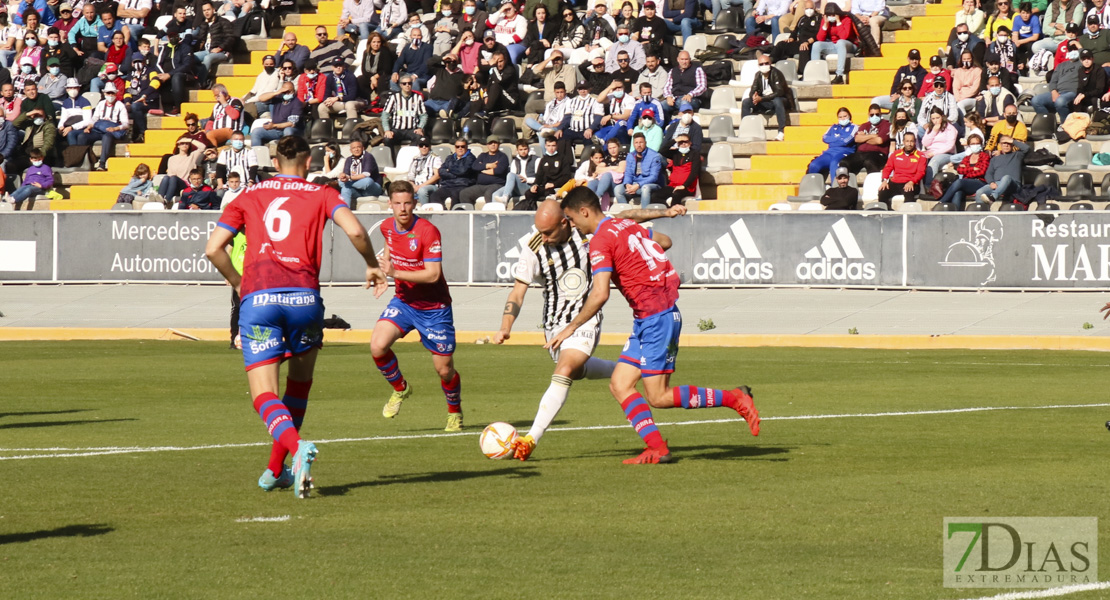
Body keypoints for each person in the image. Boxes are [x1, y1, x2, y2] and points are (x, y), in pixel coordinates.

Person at [205, 134, 387, 499]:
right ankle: (276, 470)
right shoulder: (321, 193)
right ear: (308, 164)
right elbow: (354, 229)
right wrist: (371, 265)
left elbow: (213, 249)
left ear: (275, 163)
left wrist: (240, 284)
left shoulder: (249, 196)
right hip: (304, 299)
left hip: (260, 299)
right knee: (298, 386)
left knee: (264, 394)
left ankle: (297, 447)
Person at [550, 187, 759, 464]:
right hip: (648, 318)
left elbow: (600, 293)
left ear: (584, 211)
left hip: (657, 317)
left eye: (572, 218)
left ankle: (734, 398)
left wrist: (570, 328)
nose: (572, 225)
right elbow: (665, 241)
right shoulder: (623, 225)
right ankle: (658, 448)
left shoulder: (601, 240)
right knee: (620, 384)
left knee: (658, 396)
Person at [496, 200, 687, 460]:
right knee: (576, 371)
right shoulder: (535, 246)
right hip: (555, 324)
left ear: (565, 222)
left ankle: (531, 438)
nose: (543, 238)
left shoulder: (588, 231)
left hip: (585, 319)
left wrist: (665, 213)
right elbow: (518, 291)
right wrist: (505, 327)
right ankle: (631, 368)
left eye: (549, 232)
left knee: (564, 369)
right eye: (539, 231)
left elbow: (625, 217)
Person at [371, 180, 463, 432]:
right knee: (378, 346)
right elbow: (390, 248)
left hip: (434, 308)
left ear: (415, 203)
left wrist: (395, 272)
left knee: (444, 370)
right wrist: (382, 275)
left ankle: (454, 412)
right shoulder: (387, 227)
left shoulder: (427, 231)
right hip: (404, 301)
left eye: (408, 203)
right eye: (397, 203)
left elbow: (433, 275)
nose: (403, 208)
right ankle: (401, 388)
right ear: (389, 204)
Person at [742, 54, 791, 142]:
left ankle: (781, 131)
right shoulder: (758, 75)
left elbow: (779, 92)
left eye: (766, 63)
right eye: (761, 64)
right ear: (758, 65)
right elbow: (753, 89)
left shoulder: (776, 73)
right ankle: (745, 129)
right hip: (765, 100)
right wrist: (753, 96)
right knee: (746, 102)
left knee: (777, 100)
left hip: (780, 100)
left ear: (770, 63)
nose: (764, 66)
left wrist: (762, 99)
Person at [80, 82, 128, 171]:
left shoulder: (120, 105)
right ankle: (85, 162)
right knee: (82, 136)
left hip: (112, 130)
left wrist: (115, 128)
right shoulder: (101, 104)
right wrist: (89, 126)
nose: (110, 95)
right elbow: (95, 118)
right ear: (104, 94)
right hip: (99, 129)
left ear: (116, 93)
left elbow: (125, 124)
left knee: (107, 137)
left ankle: (102, 163)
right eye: (108, 93)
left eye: (112, 93)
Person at [938, 132, 991, 209]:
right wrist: (972, 169)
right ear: (969, 145)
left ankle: (942, 202)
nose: (975, 145)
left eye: (977, 143)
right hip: (966, 183)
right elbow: (959, 169)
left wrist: (966, 170)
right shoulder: (967, 158)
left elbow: (981, 171)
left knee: (960, 181)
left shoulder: (985, 156)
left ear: (981, 144)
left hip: (980, 182)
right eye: (973, 144)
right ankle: (955, 215)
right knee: (957, 192)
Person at [767, 0, 819, 76]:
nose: (809, 10)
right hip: (800, 42)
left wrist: (808, 42)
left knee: (803, 48)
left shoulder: (819, 18)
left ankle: (803, 73)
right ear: (804, 9)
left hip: (811, 43)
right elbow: (795, 31)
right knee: (782, 44)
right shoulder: (802, 18)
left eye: (811, 8)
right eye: (807, 8)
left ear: (814, 8)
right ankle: (770, 60)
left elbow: (819, 34)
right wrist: (791, 38)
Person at [811, 3, 858, 84]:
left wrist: (838, 22)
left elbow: (844, 36)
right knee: (816, 45)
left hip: (849, 45)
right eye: (829, 15)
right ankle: (816, 74)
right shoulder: (825, 20)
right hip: (834, 45)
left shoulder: (846, 19)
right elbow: (820, 38)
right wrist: (825, 25)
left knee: (840, 42)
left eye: (833, 15)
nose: (831, 17)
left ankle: (839, 75)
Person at [523, 136, 574, 209]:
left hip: (556, 187)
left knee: (549, 193)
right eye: (549, 146)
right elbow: (539, 176)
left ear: (557, 146)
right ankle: (533, 212)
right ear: (545, 146)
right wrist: (535, 185)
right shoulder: (543, 159)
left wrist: (554, 184)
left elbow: (566, 176)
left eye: (553, 145)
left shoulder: (563, 159)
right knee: (529, 193)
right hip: (544, 187)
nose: (551, 148)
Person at [877, 131, 926, 208]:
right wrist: (884, 180)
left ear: (915, 142)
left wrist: (912, 182)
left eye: (911, 141)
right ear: (903, 142)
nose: (909, 144)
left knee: (909, 192)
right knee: (882, 191)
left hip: (911, 182)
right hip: (895, 182)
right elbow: (887, 168)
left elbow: (921, 172)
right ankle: (883, 215)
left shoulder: (920, 156)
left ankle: (908, 217)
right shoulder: (896, 154)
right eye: (907, 141)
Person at [649, 132, 699, 205]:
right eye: (681, 142)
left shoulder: (695, 154)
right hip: (673, 186)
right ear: (678, 144)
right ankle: (668, 209)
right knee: (654, 196)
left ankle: (674, 212)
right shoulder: (675, 153)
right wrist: (675, 140)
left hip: (687, 187)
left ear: (690, 143)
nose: (683, 144)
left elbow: (694, 173)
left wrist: (684, 185)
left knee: (676, 195)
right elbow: (662, 151)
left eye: (686, 142)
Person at [1032, 46, 1081, 120]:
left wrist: (1080, 47)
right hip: (1059, 92)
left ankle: (1064, 125)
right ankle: (1048, 123)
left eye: (1075, 50)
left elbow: (1086, 55)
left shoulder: (1082, 64)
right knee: (1036, 100)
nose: (1073, 51)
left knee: (1060, 101)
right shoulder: (1061, 65)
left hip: (1072, 92)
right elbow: (1053, 81)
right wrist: (1054, 91)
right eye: (1071, 50)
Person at [839, 103, 890, 175]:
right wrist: (873, 136)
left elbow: (879, 140)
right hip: (861, 153)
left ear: (880, 114)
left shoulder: (886, 125)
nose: (874, 116)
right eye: (872, 115)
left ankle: (874, 185)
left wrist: (864, 138)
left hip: (877, 154)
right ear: (869, 114)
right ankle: (847, 184)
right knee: (844, 162)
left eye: (877, 114)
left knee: (869, 161)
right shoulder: (864, 125)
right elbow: (857, 139)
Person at [976, 135, 1028, 203]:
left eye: (1008, 143)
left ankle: (993, 197)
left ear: (1012, 145)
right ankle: (982, 213)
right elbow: (989, 173)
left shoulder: (1017, 155)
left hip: (1013, 184)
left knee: (1006, 177)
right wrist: (991, 182)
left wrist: (1012, 140)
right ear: (1000, 145)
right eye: (1004, 143)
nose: (1006, 145)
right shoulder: (994, 159)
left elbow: (1026, 148)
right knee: (979, 192)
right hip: (997, 184)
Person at [460, 136, 509, 206]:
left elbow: (498, 171)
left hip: (496, 185)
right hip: (481, 185)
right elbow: (474, 166)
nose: (493, 145)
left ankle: (491, 215)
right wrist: (488, 166)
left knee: (489, 194)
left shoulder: (503, 157)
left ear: (499, 144)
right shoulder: (483, 156)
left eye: (495, 143)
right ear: (487, 145)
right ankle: (470, 215)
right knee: (464, 193)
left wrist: (482, 169)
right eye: (490, 143)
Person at [616, 131, 663, 206]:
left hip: (650, 184)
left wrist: (638, 185)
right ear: (633, 144)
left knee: (645, 188)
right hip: (634, 184)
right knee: (617, 189)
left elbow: (654, 177)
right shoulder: (630, 156)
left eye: (641, 142)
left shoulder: (654, 156)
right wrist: (627, 184)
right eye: (636, 143)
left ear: (645, 143)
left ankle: (644, 213)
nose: (639, 145)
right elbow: (628, 173)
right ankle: (627, 213)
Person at [808, 107, 857, 177]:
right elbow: (824, 138)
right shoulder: (833, 127)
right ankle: (811, 186)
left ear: (849, 116)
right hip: (830, 152)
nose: (843, 118)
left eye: (845, 116)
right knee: (814, 165)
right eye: (840, 117)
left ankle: (834, 187)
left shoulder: (854, 127)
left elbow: (846, 141)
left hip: (845, 152)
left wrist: (833, 139)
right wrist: (839, 138)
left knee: (834, 163)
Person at [429, 137, 477, 207]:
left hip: (462, 185)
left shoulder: (471, 158)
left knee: (456, 197)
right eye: (458, 146)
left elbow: (463, 170)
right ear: (455, 147)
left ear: (466, 147)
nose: (460, 148)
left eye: (462, 146)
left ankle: (454, 216)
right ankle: (442, 215)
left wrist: (449, 169)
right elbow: (441, 171)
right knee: (434, 196)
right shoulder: (450, 158)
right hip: (448, 185)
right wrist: (456, 174)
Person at [338, 139, 383, 204]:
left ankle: (347, 183)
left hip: (371, 189)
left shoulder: (368, 156)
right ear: (350, 150)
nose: (356, 149)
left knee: (367, 181)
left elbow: (366, 174)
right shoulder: (348, 160)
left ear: (363, 148)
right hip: (358, 191)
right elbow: (346, 174)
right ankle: (345, 211)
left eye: (358, 147)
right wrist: (343, 176)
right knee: (345, 188)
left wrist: (348, 179)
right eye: (353, 148)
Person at [494, 138, 538, 204]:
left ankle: (505, 197)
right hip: (516, 186)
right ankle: (499, 212)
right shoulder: (515, 161)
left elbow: (539, 178)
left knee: (511, 174)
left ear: (528, 149)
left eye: (525, 149)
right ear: (517, 150)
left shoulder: (536, 160)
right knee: (495, 194)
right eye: (521, 150)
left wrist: (527, 179)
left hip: (529, 186)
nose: (523, 151)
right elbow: (512, 178)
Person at [319, 58, 363, 123]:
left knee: (349, 105)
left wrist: (337, 98)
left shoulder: (350, 76)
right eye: (336, 66)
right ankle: (326, 129)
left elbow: (352, 96)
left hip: (356, 101)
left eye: (340, 66)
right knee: (322, 107)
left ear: (344, 66)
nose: (338, 68)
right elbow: (325, 95)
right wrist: (328, 100)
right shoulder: (330, 77)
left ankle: (352, 130)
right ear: (332, 67)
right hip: (341, 102)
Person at [661, 51, 706, 115]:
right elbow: (667, 86)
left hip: (692, 99)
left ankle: (683, 122)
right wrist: (668, 97)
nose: (684, 62)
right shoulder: (672, 71)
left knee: (684, 103)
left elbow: (702, 86)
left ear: (689, 60)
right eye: (682, 59)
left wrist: (691, 94)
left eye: (686, 59)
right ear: (678, 59)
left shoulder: (697, 69)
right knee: (661, 106)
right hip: (675, 98)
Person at [921, 107, 958, 185]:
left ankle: (929, 186)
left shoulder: (950, 128)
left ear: (942, 117)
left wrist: (934, 153)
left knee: (934, 161)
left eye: (937, 118)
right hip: (930, 151)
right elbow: (925, 143)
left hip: (946, 153)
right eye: (933, 118)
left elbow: (949, 146)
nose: (935, 120)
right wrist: (934, 131)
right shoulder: (931, 128)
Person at [408, 138, 442, 205]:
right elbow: (411, 176)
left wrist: (420, 186)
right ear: (418, 147)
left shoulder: (435, 158)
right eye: (421, 145)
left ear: (430, 146)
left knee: (422, 191)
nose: (424, 147)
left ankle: (425, 212)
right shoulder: (415, 159)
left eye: (426, 145)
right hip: (417, 185)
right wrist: (413, 186)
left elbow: (437, 175)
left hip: (431, 185)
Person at [1010, 2, 1041, 70]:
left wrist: (1020, 42)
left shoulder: (1034, 19)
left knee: (1031, 46)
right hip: (1020, 38)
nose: (1025, 15)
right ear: (1020, 13)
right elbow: (1015, 33)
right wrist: (1016, 40)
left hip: (1030, 39)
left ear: (1030, 13)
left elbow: (1035, 36)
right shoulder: (1017, 18)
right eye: (1023, 13)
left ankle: (1031, 65)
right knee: (1014, 46)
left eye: (1027, 13)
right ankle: (1017, 66)